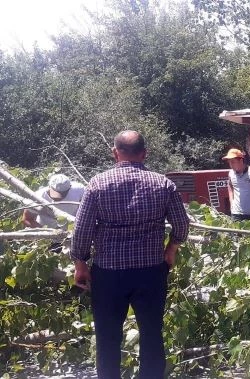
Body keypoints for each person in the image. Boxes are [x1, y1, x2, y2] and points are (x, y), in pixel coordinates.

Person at [71, 130, 190, 378]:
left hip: (109, 274)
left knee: (107, 337)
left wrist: (80, 262)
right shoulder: (163, 184)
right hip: (150, 272)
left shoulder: (97, 184)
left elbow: (82, 229)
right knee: (151, 333)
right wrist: (171, 248)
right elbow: (181, 225)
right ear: (144, 154)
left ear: (115, 153)